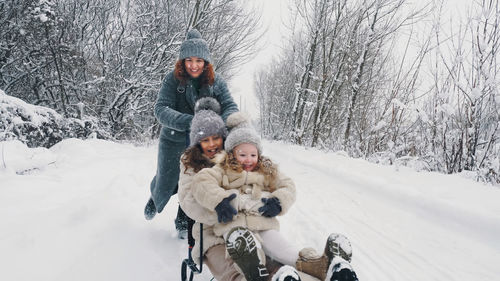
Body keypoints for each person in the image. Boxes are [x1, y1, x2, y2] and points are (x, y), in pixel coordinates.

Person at [183, 110, 359, 281]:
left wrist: (278, 201)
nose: (248, 159)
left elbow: (287, 185)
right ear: (232, 154)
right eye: (205, 140)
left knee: (283, 250)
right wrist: (221, 201)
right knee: (242, 249)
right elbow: (200, 186)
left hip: (262, 224)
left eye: (253, 154)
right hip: (227, 227)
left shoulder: (263, 168)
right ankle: (256, 270)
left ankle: (323, 266)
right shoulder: (219, 168)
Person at [144, 28, 238, 239]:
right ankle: (156, 195)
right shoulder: (172, 80)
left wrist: (219, 123)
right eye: (189, 60)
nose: (194, 65)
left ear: (206, 62)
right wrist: (191, 121)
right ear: (182, 61)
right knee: (169, 178)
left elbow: (230, 106)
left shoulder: (216, 81)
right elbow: (161, 109)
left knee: (196, 180)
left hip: (203, 142)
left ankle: (182, 220)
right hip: (175, 137)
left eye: (199, 60)